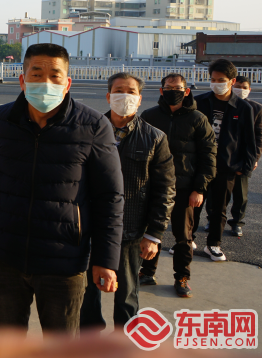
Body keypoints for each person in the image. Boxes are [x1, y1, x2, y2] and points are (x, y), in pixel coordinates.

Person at [0, 43, 124, 337]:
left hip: (64, 263)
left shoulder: (93, 126)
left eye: (55, 75)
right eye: (36, 74)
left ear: (67, 83)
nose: (45, 83)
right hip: (6, 258)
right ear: (22, 80)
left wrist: (105, 260)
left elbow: (109, 198)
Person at [79, 73, 175, 329]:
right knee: (86, 292)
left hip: (130, 230)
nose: (124, 96)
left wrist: (154, 234)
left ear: (140, 99)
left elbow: (165, 189)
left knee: (127, 294)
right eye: (118, 91)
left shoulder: (155, 138)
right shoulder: (87, 132)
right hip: (89, 226)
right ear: (108, 96)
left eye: (131, 92)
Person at [137, 73, 216, 297]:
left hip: (184, 187)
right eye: (169, 88)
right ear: (161, 90)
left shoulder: (198, 119)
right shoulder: (149, 116)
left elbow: (209, 155)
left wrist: (199, 188)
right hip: (153, 185)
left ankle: (182, 277)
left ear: (186, 91)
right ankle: (147, 271)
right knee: (151, 231)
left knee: (183, 236)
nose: (173, 91)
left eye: (178, 88)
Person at [192, 59, 256, 261]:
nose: (216, 83)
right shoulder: (199, 102)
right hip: (199, 164)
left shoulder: (243, 108)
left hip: (226, 167)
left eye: (221, 80)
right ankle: (186, 240)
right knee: (193, 205)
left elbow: (249, 140)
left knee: (219, 209)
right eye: (213, 79)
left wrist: (244, 168)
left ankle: (213, 244)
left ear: (232, 81)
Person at [227, 76, 262, 237]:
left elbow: (259, 137)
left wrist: (255, 158)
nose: (240, 90)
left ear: (249, 89)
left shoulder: (256, 108)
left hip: (244, 156)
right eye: (238, 86)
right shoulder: (225, 105)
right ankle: (214, 220)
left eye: (244, 87)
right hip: (224, 155)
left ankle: (237, 222)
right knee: (218, 193)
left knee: (241, 194)